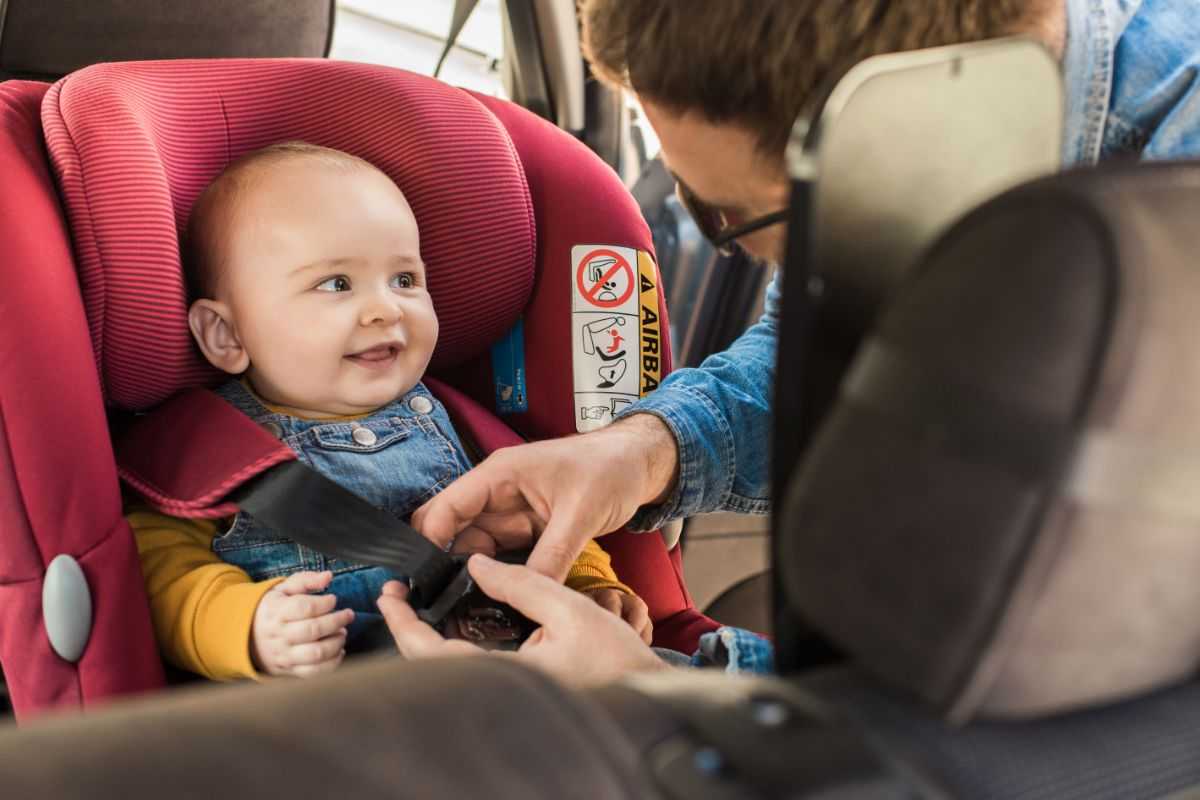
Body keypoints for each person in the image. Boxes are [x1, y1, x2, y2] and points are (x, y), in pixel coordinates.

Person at [381, 0, 1200, 686]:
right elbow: (814, 342)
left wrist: (652, 695)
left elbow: (1096, 707)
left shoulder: (1174, 206)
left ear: (912, 126)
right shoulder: (904, 155)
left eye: (734, 216)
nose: (729, 245)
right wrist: (638, 452)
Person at [129, 142, 650, 681]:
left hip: (525, 675)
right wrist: (250, 627)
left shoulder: (460, 423)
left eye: (405, 280)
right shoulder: (208, 453)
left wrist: (589, 584)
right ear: (227, 334)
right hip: (358, 709)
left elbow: (545, 514)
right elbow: (163, 575)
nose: (385, 309)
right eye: (336, 284)